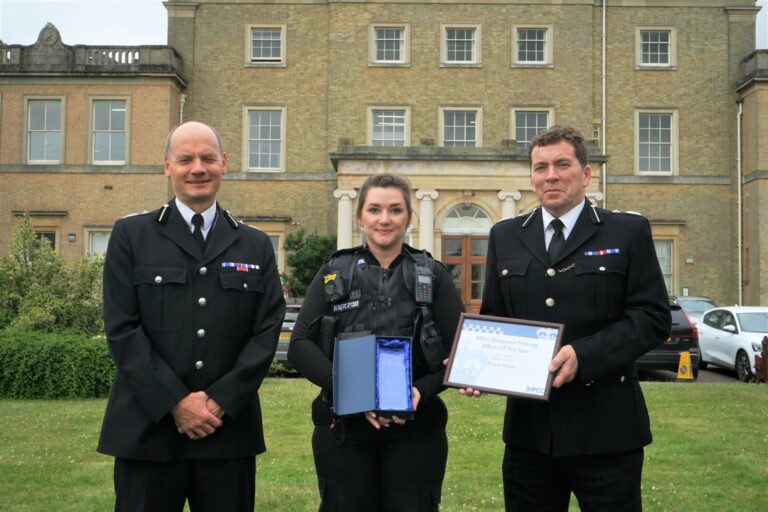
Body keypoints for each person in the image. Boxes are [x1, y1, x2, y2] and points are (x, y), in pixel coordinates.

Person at [478, 125, 671, 511]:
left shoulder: (627, 230)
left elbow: (651, 317)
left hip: (608, 433)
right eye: (540, 167)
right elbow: (494, 320)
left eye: (562, 164)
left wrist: (584, 355)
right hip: (530, 436)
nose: (550, 175)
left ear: (585, 174)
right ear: (531, 177)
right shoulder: (506, 235)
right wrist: (478, 365)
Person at [97, 121, 286, 512]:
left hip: (226, 433)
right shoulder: (131, 235)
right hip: (148, 431)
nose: (197, 168)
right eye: (185, 159)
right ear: (167, 166)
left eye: (207, 158)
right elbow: (122, 328)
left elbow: (265, 332)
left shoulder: (254, 244)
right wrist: (176, 403)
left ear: (224, 164)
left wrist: (218, 401)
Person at [288, 172, 465, 511]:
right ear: (360, 217)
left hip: (416, 428)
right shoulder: (334, 271)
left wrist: (421, 391)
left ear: (409, 218)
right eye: (375, 209)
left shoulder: (433, 274)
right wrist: (350, 389)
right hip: (344, 430)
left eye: (396, 210)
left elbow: (461, 352)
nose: (385, 219)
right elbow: (300, 343)